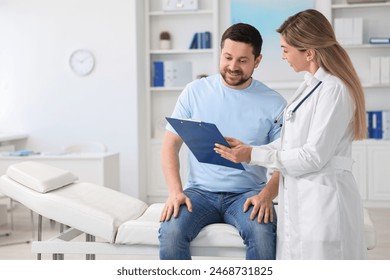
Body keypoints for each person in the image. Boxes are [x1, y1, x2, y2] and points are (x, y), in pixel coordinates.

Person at [214, 9, 367, 260]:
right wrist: (248, 149)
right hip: (300, 197)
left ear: (309, 52)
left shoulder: (334, 90)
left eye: (286, 49)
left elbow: (313, 156)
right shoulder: (310, 85)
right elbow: (291, 142)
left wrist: (252, 154)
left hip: (323, 199)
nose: (283, 56)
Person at [159, 23, 287, 260]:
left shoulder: (274, 103)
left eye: (242, 60)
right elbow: (170, 145)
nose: (232, 66)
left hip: (247, 194)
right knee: (171, 231)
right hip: (199, 192)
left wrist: (267, 195)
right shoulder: (194, 92)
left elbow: (284, 160)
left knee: (261, 233)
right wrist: (175, 192)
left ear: (257, 61)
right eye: (228, 57)